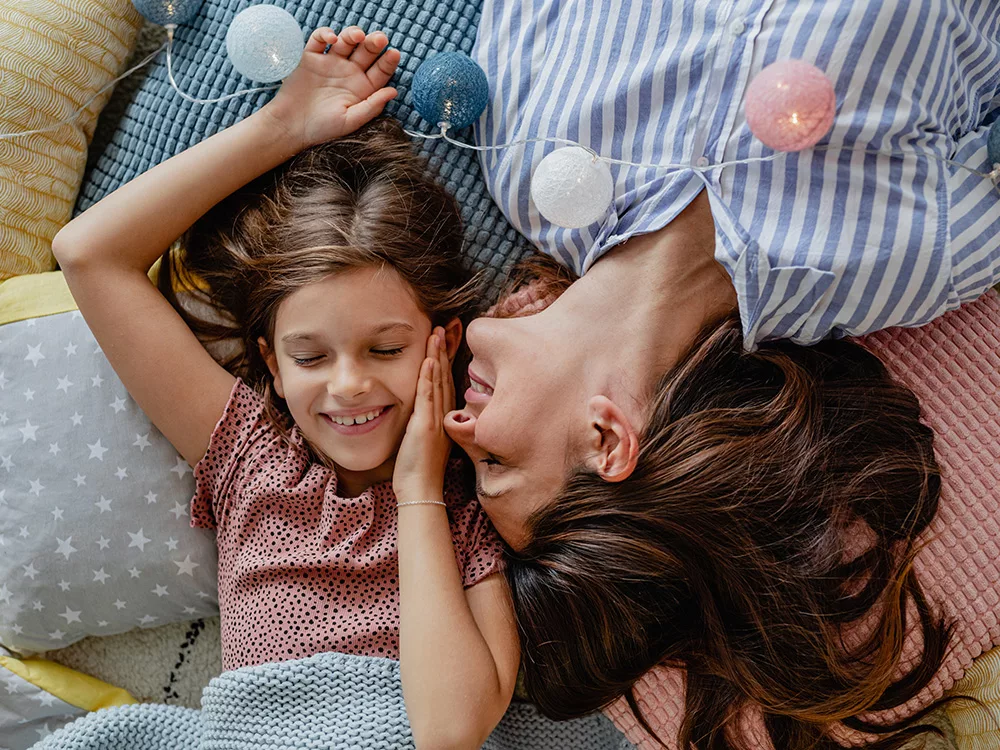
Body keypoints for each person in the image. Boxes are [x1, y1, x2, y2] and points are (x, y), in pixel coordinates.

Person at [443, 1, 1000, 748]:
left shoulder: (521, 155)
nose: (455, 425)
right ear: (608, 439)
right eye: (493, 461)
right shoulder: (899, 263)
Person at [51, 27, 519, 750]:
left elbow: (451, 730)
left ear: (445, 342)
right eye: (310, 357)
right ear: (272, 363)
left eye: (386, 349)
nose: (350, 385)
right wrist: (283, 124)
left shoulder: (473, 502)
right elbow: (87, 253)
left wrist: (419, 492)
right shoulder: (249, 455)